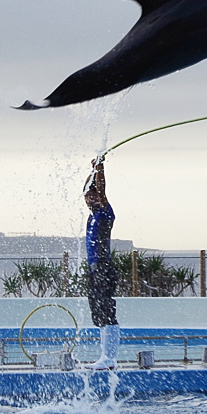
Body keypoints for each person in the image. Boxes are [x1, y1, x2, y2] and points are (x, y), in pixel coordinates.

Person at [83, 158, 121, 369]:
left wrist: (100, 167)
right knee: (97, 312)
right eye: (87, 196)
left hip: (104, 268)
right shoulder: (92, 216)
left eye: (93, 195)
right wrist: (92, 169)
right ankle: (104, 357)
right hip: (94, 270)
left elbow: (102, 189)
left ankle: (109, 359)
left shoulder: (105, 212)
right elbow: (91, 185)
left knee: (106, 311)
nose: (90, 199)